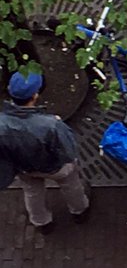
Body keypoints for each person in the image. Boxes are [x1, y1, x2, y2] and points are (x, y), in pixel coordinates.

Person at [0, 69, 91, 234]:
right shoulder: (50, 124)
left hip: (24, 168)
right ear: (35, 95)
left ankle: (41, 222)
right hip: (56, 167)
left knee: (32, 192)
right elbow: (68, 149)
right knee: (71, 186)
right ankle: (79, 211)